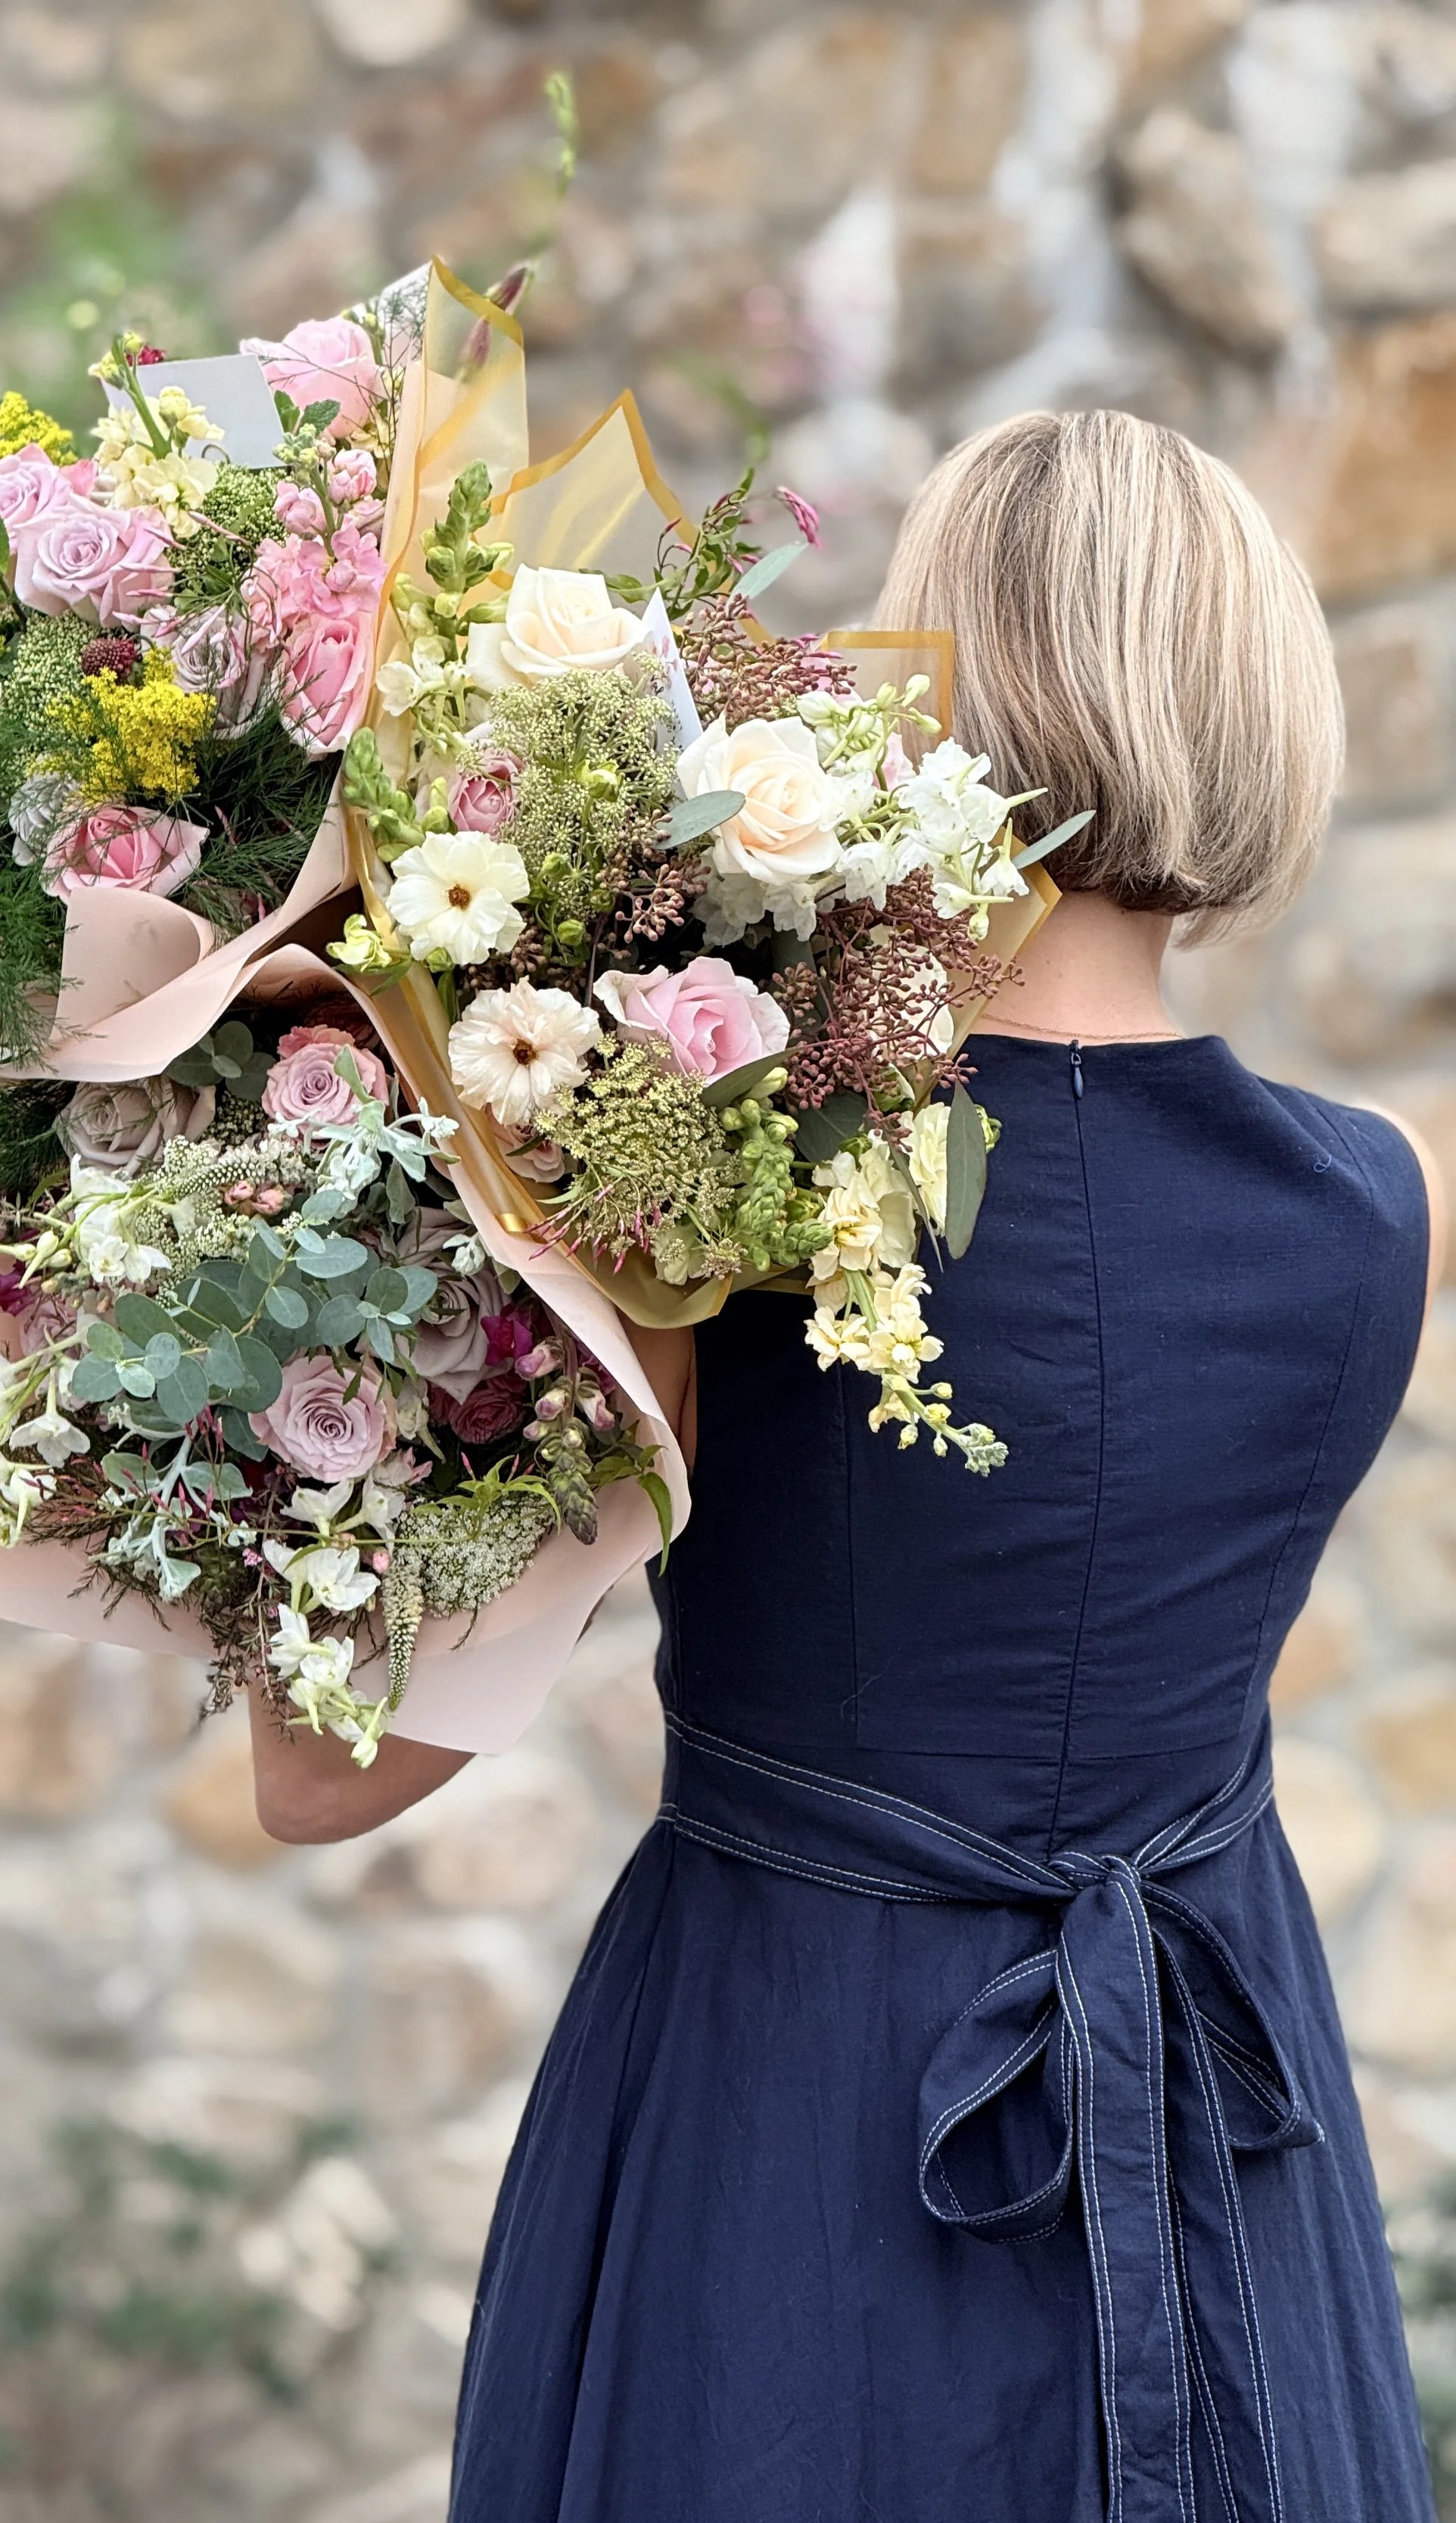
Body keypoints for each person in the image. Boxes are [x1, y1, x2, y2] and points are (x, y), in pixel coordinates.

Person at [250, 410, 1446, 2522]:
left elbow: (324, 1777)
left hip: (776, 2123)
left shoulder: (718, 1195)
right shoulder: (1377, 1214)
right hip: (1215, 2146)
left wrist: (287, 1318)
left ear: (930, 696)